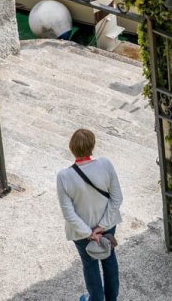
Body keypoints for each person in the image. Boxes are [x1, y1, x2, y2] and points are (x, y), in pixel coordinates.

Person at [57, 129, 123, 301]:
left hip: (81, 232)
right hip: (107, 226)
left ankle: (95, 299)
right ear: (92, 146)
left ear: (71, 148)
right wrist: (101, 227)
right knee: (109, 259)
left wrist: (88, 233)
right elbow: (117, 199)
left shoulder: (64, 176)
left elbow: (68, 213)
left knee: (89, 264)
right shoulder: (105, 164)